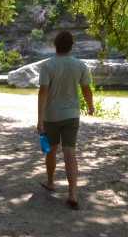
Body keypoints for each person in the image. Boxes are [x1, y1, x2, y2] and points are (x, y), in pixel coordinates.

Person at [37, 30, 94, 209]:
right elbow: (86, 89)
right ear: (71, 46)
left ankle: (51, 182)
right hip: (71, 115)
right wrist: (91, 106)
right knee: (70, 152)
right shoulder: (80, 65)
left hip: (51, 116)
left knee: (51, 150)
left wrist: (39, 119)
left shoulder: (47, 66)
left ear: (55, 45)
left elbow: (43, 93)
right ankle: (73, 194)